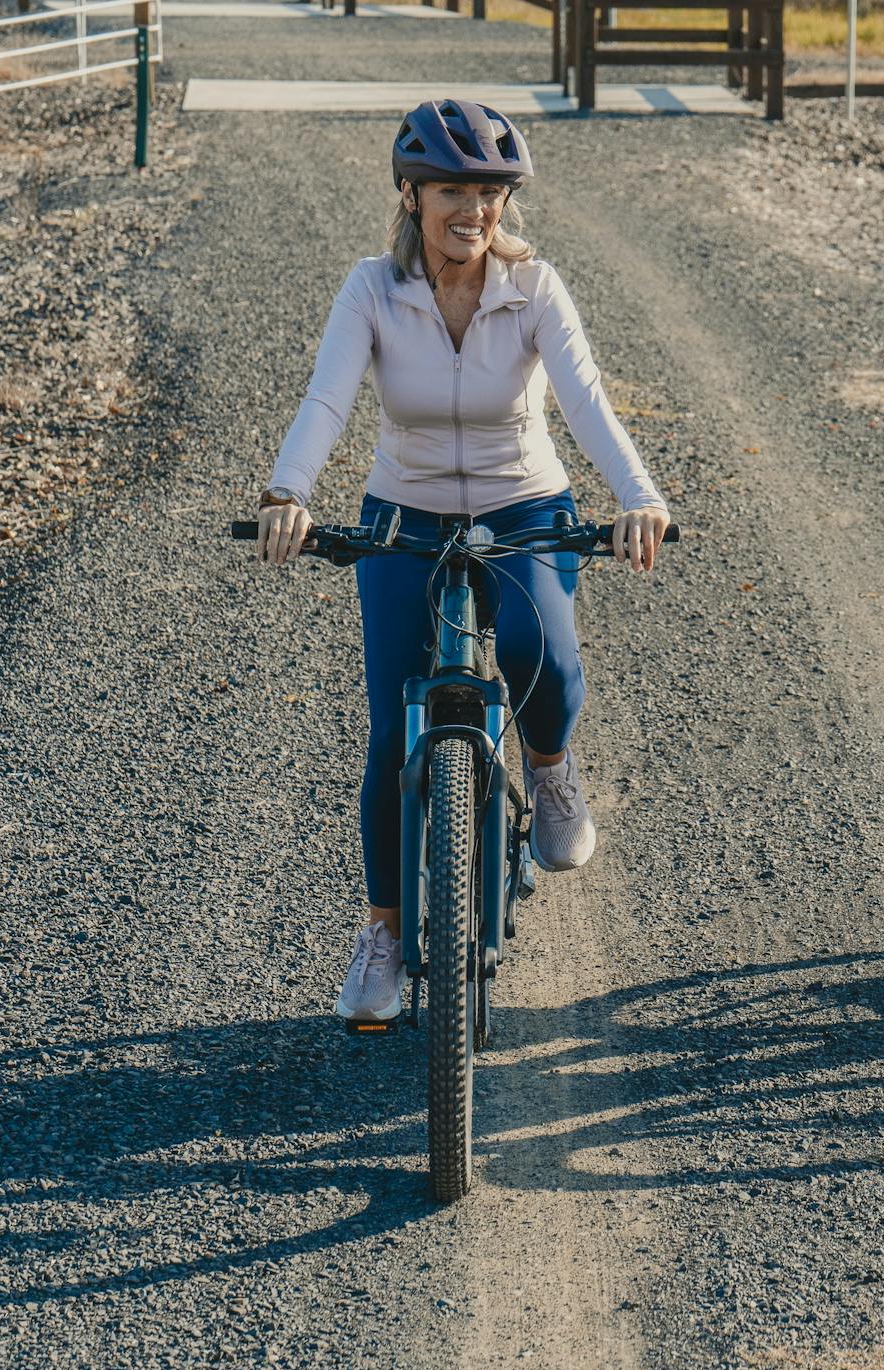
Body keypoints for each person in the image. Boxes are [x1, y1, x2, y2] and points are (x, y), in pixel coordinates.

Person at [254, 99, 671, 1024]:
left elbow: (588, 402)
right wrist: (289, 493)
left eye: (487, 192)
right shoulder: (370, 287)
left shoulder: (536, 288)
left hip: (523, 500)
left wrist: (639, 497)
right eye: (450, 188)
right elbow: (326, 399)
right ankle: (385, 935)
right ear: (411, 194)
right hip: (404, 508)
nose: (470, 209)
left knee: (540, 652)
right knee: (392, 718)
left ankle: (552, 773)